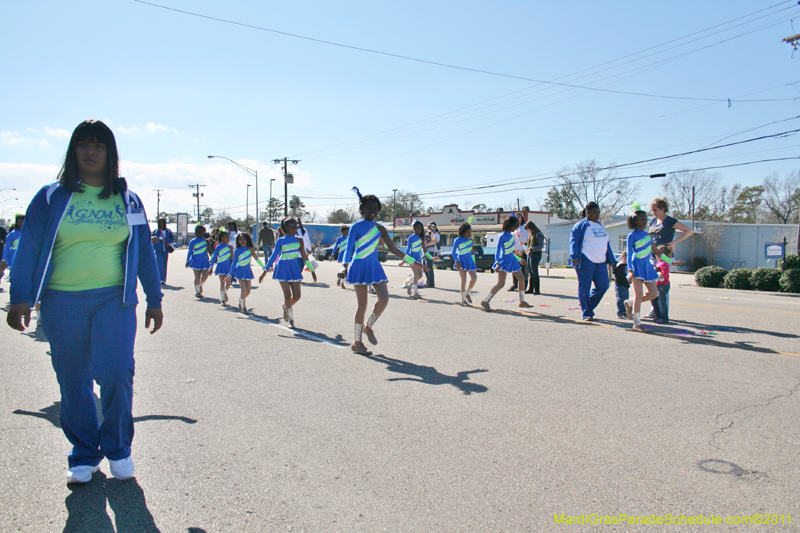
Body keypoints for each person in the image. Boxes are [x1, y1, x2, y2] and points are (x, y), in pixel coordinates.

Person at [6, 119, 163, 484]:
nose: (90, 151)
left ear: (110, 154)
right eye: (83, 145)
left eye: (99, 146)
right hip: (62, 301)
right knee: (73, 380)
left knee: (116, 372)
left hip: (115, 299)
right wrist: (20, 297)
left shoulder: (129, 199)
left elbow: (143, 254)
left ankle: (118, 447)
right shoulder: (51, 196)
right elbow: (28, 248)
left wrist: (154, 298)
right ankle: (84, 453)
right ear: (73, 151)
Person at [344, 187, 426, 354]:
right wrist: (343, 265)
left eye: (375, 208)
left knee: (384, 299)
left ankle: (368, 326)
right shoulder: (356, 227)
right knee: (362, 305)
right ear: (362, 209)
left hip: (374, 267)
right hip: (359, 266)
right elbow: (348, 248)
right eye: (369, 208)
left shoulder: (380, 229)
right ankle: (357, 342)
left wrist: (414, 262)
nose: (373, 211)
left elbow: (394, 250)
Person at [568, 202, 617, 321]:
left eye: (598, 213)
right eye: (595, 213)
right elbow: (573, 241)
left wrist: (611, 258)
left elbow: (606, 243)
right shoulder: (580, 226)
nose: (597, 215)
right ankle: (587, 312)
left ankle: (587, 304)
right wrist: (574, 255)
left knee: (603, 285)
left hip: (600, 260)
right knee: (584, 287)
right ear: (587, 212)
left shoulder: (600, 226)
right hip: (586, 259)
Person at [260, 217, 311, 328]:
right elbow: (273, 256)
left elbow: (304, 256)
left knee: (297, 295)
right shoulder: (281, 240)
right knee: (287, 295)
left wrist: (312, 270)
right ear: (286, 227)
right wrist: (265, 270)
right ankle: (291, 319)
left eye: (296, 225)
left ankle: (286, 307)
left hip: (294, 267)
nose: (295, 227)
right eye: (292, 225)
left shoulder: (300, 240)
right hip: (282, 267)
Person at [648, 197, 693, 317]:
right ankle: (654, 311)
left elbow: (689, 231)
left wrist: (673, 243)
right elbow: (649, 236)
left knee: (662, 285)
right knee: (652, 284)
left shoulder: (670, 221)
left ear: (663, 209)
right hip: (653, 255)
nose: (654, 213)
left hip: (665, 257)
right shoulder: (652, 221)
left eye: (656, 210)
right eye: (652, 210)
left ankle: (662, 313)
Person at [481, 215, 532, 311]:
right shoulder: (502, 236)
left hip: (512, 260)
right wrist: (497, 262)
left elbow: (510, 252)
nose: (517, 227)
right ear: (510, 225)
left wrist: (519, 259)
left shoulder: (512, 236)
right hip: (503, 261)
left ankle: (522, 301)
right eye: (515, 225)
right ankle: (486, 300)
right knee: (501, 284)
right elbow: (498, 251)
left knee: (521, 278)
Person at [622, 206, 659, 331]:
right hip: (636, 266)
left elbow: (657, 252)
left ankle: (630, 303)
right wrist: (630, 269)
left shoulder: (648, 236)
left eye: (645, 218)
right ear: (635, 220)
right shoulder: (631, 236)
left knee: (654, 293)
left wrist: (672, 261)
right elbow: (629, 253)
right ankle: (637, 323)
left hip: (647, 266)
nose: (644, 221)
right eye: (641, 219)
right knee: (638, 294)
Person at [232, 232, 264, 313]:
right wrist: (230, 274)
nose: (242, 241)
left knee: (248, 290)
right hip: (239, 270)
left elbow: (256, 258)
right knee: (243, 289)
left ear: (247, 240)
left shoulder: (250, 249)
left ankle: (241, 299)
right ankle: (243, 307)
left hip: (247, 271)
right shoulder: (236, 251)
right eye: (240, 239)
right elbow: (234, 262)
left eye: (244, 239)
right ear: (238, 241)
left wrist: (264, 266)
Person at [452, 220, 478, 306]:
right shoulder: (457, 240)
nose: (469, 235)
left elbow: (472, 252)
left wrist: (473, 262)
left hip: (469, 262)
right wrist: (456, 261)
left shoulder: (470, 241)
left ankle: (468, 293)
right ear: (463, 232)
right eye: (467, 233)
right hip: (461, 261)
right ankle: (463, 300)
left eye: (470, 233)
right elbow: (453, 252)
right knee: (464, 281)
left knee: (474, 278)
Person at [209, 229, 234, 306]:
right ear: (222, 238)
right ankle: (223, 299)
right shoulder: (218, 247)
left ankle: (224, 292)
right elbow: (214, 258)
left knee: (228, 284)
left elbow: (233, 259)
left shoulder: (230, 247)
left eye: (229, 237)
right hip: (220, 266)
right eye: (226, 237)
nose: (228, 239)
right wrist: (211, 267)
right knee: (222, 283)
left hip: (228, 267)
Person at [185, 224, 211, 298]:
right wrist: (187, 260)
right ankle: (198, 292)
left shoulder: (206, 241)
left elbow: (210, 251)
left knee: (205, 275)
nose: (200, 233)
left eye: (202, 232)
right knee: (197, 277)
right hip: (195, 261)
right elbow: (190, 252)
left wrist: (213, 258)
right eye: (198, 231)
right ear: (195, 232)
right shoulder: (192, 241)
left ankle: (200, 285)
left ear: (204, 233)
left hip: (204, 261)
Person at [404, 220, 427, 299]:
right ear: (413, 228)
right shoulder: (411, 238)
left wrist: (430, 257)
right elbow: (408, 249)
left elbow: (425, 249)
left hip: (418, 258)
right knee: (416, 274)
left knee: (420, 275)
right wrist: (404, 259)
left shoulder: (422, 237)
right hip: (411, 258)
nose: (419, 230)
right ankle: (416, 293)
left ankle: (409, 284)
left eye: (420, 228)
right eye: (417, 228)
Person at [508, 213, 529, 292]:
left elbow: (526, 241)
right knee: (514, 269)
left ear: (521, 218)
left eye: (518, 217)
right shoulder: (514, 230)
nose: (517, 218)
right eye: (516, 217)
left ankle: (524, 286)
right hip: (515, 252)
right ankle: (515, 284)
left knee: (523, 270)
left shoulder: (524, 228)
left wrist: (522, 250)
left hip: (522, 252)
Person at [652, 244, 673, 324]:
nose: (655, 256)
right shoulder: (659, 263)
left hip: (663, 285)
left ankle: (664, 317)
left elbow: (663, 274)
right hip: (657, 284)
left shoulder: (664, 263)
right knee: (655, 300)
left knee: (662, 301)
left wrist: (655, 272)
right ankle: (658, 316)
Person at [1, 214, 24, 281]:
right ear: (17, 222)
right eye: (20, 221)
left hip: (25, 259)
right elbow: (7, 247)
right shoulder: (12, 234)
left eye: (24, 220)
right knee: (14, 278)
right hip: (14, 258)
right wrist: (4, 259)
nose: (22, 222)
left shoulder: (29, 233)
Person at [151, 218, 174, 285]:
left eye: (162, 222)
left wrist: (166, 240)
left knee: (164, 265)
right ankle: (159, 279)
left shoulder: (168, 231)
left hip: (165, 250)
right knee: (159, 265)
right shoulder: (156, 231)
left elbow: (172, 239)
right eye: (160, 223)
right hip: (158, 250)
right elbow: (153, 241)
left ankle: (163, 280)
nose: (161, 224)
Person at [524, 220, 545, 295]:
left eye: (528, 229)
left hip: (536, 254)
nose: (528, 231)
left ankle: (537, 289)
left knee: (534, 271)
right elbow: (530, 244)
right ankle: (530, 288)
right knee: (530, 271)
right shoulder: (531, 235)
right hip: (530, 254)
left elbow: (540, 246)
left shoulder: (539, 235)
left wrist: (532, 249)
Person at [331, 225, 349, 289]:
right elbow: (335, 247)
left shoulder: (349, 238)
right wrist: (332, 254)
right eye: (345, 232)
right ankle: (342, 283)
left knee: (346, 269)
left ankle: (340, 278)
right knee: (344, 269)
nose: (347, 233)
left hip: (348, 255)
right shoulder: (340, 238)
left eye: (347, 232)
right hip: (342, 255)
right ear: (342, 232)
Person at [613, 250, 630, 319]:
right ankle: (621, 312)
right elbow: (619, 275)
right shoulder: (620, 265)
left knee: (626, 299)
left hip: (625, 285)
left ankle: (625, 312)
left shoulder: (626, 265)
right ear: (624, 258)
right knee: (621, 299)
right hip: (620, 285)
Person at [423, 222, 439, 288]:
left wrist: (426, 245)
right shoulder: (426, 234)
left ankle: (431, 283)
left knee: (429, 267)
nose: (432, 228)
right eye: (430, 226)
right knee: (424, 267)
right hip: (425, 251)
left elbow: (435, 241)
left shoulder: (436, 234)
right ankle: (428, 281)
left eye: (433, 226)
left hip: (431, 251)